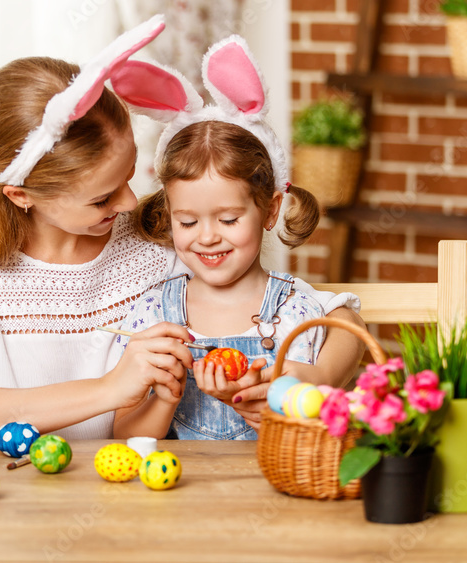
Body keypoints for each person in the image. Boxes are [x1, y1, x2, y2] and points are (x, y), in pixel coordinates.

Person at [0, 18, 365, 448]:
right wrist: (108, 389)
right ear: (20, 195)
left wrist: (314, 378)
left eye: (129, 177)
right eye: (101, 198)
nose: (130, 204)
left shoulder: (159, 241)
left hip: (103, 497)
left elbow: (332, 317)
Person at [107, 36, 353, 440]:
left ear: (271, 210)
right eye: (187, 223)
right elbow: (125, 436)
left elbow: (345, 327)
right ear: (169, 216)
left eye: (228, 219)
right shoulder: (154, 315)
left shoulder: (295, 308)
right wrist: (168, 394)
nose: (207, 238)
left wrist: (310, 386)